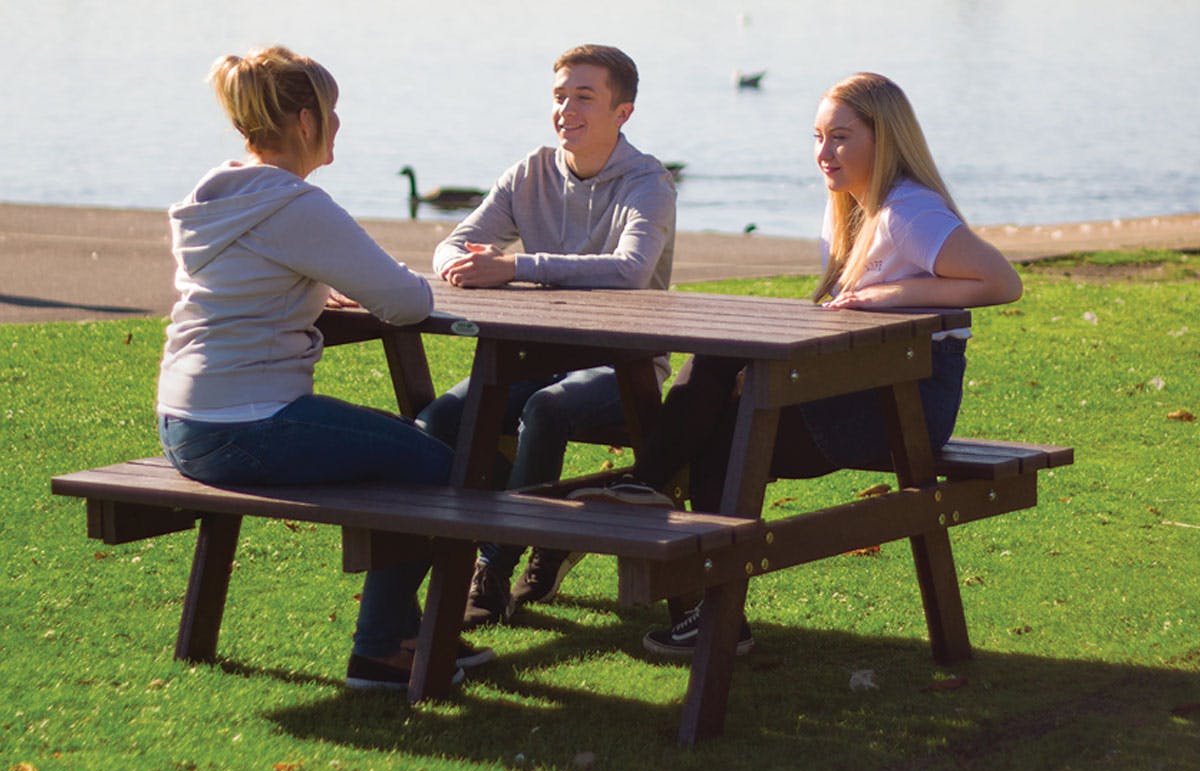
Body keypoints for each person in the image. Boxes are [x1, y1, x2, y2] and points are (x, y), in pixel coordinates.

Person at [577, 72, 1024, 656]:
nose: (823, 153)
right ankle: (697, 583)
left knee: (722, 425)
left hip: (902, 405)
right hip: (863, 385)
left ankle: (652, 495)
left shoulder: (906, 213)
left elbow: (1002, 281)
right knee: (718, 399)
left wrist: (888, 297)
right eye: (817, 137)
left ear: (883, 139)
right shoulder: (851, 211)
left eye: (840, 137)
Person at [155, 45, 493, 692]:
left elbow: (252, 279)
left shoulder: (218, 198)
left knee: (405, 456)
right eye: (333, 112)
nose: (339, 125)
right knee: (438, 466)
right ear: (307, 121)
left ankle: (409, 634)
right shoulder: (294, 207)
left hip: (184, 420)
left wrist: (312, 285)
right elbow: (407, 299)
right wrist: (339, 279)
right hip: (247, 424)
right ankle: (385, 649)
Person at [415, 44, 677, 629]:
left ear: (623, 112)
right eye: (560, 96)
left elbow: (630, 269)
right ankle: (433, 558)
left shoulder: (648, 182)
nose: (566, 110)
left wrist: (515, 266)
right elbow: (452, 244)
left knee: (546, 408)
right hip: (534, 357)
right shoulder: (529, 172)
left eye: (584, 97)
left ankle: (492, 570)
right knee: (440, 419)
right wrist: (462, 261)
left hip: (624, 366)